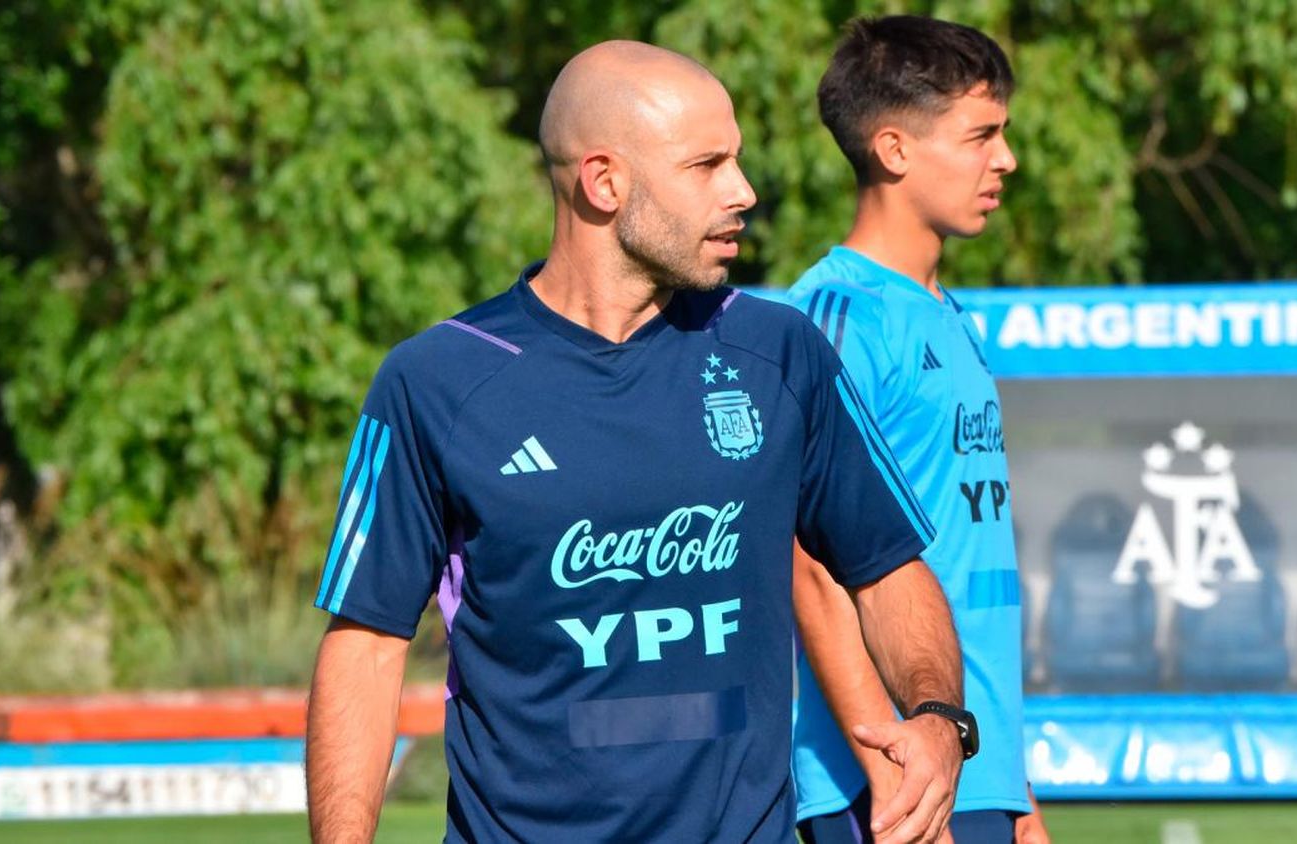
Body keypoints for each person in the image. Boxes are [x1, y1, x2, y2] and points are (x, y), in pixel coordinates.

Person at [305, 40, 971, 843]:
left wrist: (938, 719)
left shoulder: (780, 354)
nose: (743, 191)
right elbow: (368, 645)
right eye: (706, 165)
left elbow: (887, 569)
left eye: (738, 161)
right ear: (603, 181)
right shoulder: (435, 380)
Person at [786, 17, 1052, 844]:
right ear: (894, 150)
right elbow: (811, 567)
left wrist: (1017, 794)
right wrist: (899, 776)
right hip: (892, 779)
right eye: (981, 135)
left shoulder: (950, 317)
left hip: (975, 771)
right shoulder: (835, 316)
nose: (1004, 159)